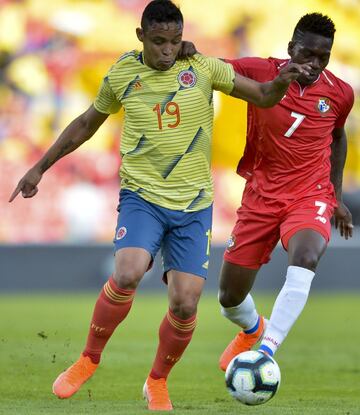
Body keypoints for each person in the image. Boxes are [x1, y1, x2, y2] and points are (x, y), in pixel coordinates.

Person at [9, 0, 309, 411]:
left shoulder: (202, 67)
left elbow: (260, 96)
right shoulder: (122, 73)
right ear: (140, 37)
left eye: (173, 42)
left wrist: (283, 83)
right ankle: (88, 359)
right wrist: (39, 168)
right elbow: (85, 123)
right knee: (128, 272)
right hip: (143, 198)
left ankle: (157, 381)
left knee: (185, 303)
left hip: (194, 205)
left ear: (183, 38)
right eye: (158, 42)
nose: (167, 51)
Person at [217, 12, 354, 371]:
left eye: (322, 57)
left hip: (311, 195)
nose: (314, 64)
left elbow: (338, 138)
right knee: (230, 297)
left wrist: (336, 197)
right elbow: (211, 69)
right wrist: (187, 52)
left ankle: (265, 352)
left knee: (307, 256)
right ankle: (252, 328)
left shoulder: (340, 93)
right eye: (307, 54)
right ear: (291, 47)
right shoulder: (261, 71)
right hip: (261, 196)